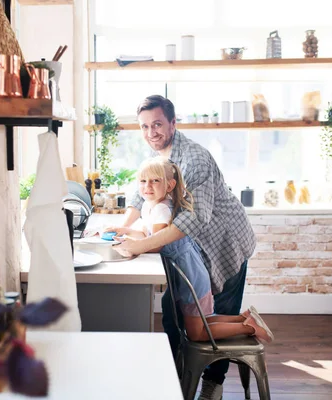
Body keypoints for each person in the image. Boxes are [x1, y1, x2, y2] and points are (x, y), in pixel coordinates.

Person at [107, 95, 257, 400]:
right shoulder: (159, 156)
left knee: (217, 321)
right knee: (173, 316)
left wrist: (139, 245)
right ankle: (175, 383)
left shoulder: (195, 159)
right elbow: (143, 196)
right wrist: (123, 228)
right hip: (191, 250)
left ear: (173, 123)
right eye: (145, 126)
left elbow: (194, 219)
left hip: (224, 244)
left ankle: (212, 387)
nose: (151, 132)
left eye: (158, 124)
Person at [114, 156, 273, 345]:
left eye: (155, 180)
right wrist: (124, 232)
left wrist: (134, 248)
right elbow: (146, 232)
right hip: (187, 273)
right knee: (199, 321)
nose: (147, 186)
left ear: (170, 185)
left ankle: (249, 327)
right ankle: (244, 318)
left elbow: (156, 243)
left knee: (197, 332)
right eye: (143, 181)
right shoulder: (151, 205)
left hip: (191, 275)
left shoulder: (162, 209)